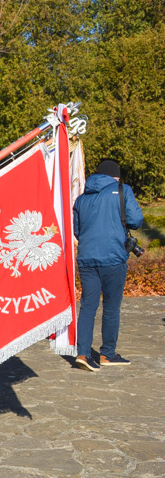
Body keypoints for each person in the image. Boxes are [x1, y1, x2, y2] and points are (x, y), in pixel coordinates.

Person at [73, 159, 143, 371]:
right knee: (111, 307)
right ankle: (107, 355)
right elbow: (136, 220)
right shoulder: (123, 190)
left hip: (86, 258)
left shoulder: (81, 198)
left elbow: (77, 230)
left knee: (87, 306)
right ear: (116, 176)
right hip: (113, 256)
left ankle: (83, 354)